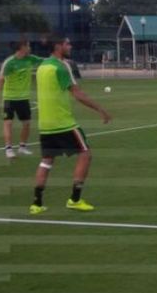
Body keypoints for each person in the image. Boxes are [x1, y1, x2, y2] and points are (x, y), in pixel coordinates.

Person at [29, 35, 112, 215]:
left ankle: (36, 203)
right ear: (58, 46)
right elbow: (78, 93)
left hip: (45, 124)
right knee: (85, 154)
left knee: (46, 162)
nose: (70, 46)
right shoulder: (62, 66)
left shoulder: (42, 66)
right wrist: (100, 109)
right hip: (63, 123)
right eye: (67, 43)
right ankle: (74, 199)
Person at [0, 39, 45, 158]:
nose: (30, 48)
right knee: (8, 122)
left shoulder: (31, 59)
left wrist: (61, 60)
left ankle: (22, 147)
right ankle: (8, 149)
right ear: (22, 47)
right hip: (9, 98)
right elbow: (0, 80)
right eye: (28, 46)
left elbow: (46, 61)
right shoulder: (9, 63)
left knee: (26, 123)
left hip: (24, 98)